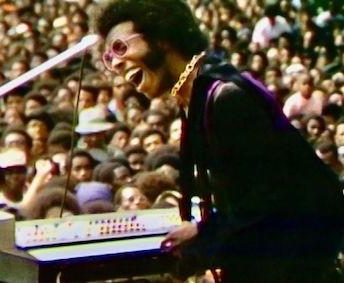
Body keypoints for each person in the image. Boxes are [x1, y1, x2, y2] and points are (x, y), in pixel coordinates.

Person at [96, 1, 344, 282]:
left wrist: (204, 243)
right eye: (108, 57)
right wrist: (204, 230)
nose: (115, 64)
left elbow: (267, 206)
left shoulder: (227, 98)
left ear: (161, 38)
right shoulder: (197, 93)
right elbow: (242, 199)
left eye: (120, 47)